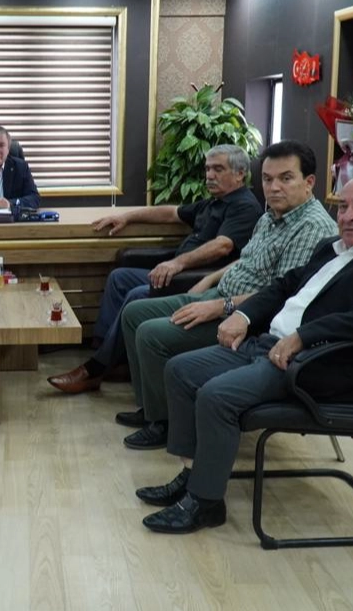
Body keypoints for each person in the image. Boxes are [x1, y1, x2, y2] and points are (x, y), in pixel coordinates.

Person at [139, 176, 353, 535]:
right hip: (269, 345)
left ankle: (205, 502)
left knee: (217, 396)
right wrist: (243, 316)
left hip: (319, 361)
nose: (348, 216)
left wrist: (304, 337)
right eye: (343, 207)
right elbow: (283, 287)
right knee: (180, 370)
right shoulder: (331, 246)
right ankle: (192, 476)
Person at [117, 140, 337, 449]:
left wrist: (222, 306)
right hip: (220, 294)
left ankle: (165, 424)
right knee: (133, 313)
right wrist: (210, 278)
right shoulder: (271, 216)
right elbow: (246, 260)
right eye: (267, 179)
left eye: (286, 178)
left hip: (249, 319)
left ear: (309, 182)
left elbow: (281, 296)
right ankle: (153, 409)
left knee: (152, 334)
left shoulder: (312, 227)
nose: (273, 187)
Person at [47, 144, 262, 394]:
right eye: (207, 169)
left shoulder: (244, 206)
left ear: (240, 174)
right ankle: (114, 358)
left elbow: (223, 246)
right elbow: (171, 213)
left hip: (198, 280)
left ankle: (95, 369)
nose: (210, 175)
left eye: (218, 169)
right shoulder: (214, 202)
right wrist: (127, 217)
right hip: (179, 272)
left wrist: (178, 263)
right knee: (119, 278)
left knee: (136, 294)